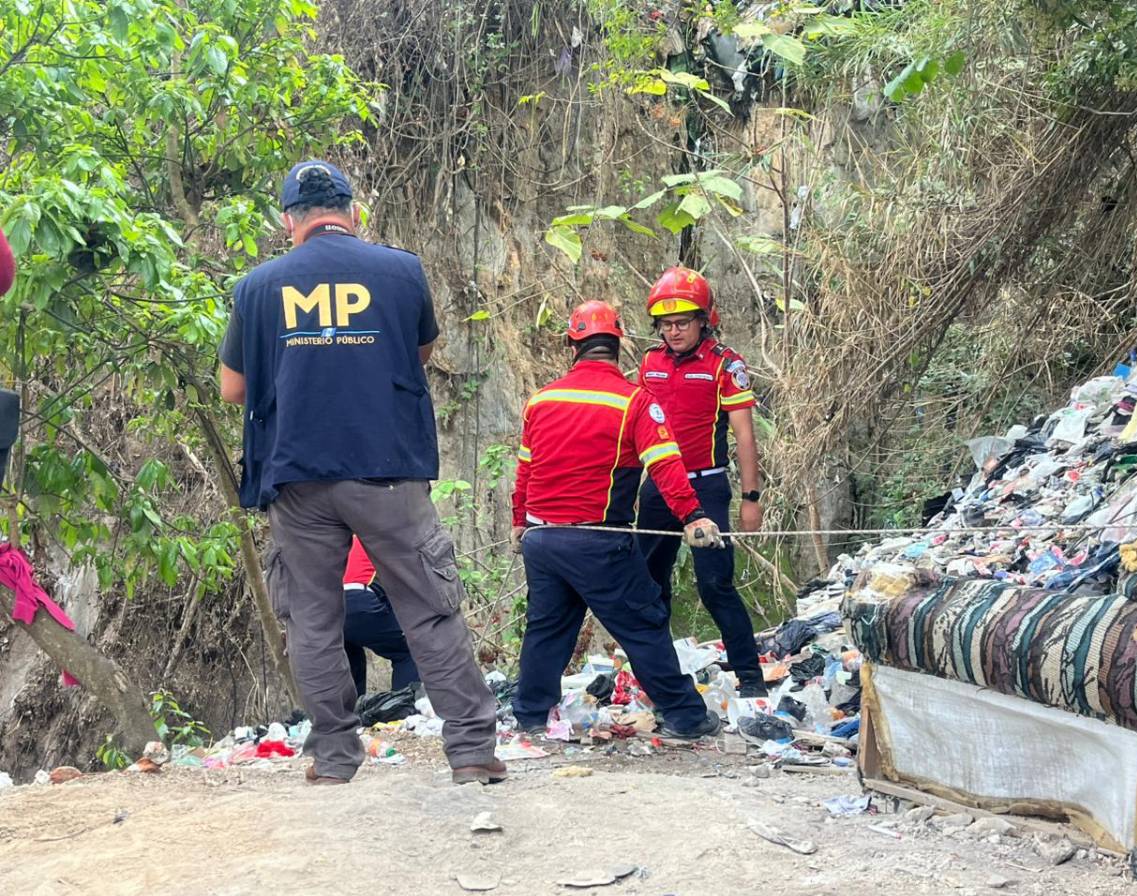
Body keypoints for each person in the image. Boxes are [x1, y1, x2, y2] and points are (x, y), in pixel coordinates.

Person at [218, 160, 501, 786]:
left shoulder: (257, 287)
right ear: (352, 211)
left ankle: (334, 759)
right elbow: (418, 351)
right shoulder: (401, 271)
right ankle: (472, 753)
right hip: (387, 471)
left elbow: (232, 388)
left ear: (288, 221)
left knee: (314, 622)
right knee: (428, 610)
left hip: (296, 477)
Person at [510, 300, 724, 739]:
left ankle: (530, 715)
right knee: (643, 624)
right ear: (618, 345)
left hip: (541, 539)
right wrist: (693, 516)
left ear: (572, 346)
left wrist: (519, 521)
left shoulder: (541, 400)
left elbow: (525, 468)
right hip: (599, 542)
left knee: (547, 629)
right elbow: (665, 465)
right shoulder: (634, 401)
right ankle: (686, 717)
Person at [635, 266, 767, 697]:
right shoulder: (650, 362)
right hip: (658, 487)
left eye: (682, 323)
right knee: (649, 585)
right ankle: (658, 678)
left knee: (715, 584)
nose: (673, 331)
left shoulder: (725, 364)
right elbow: (635, 428)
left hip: (706, 486)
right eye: (666, 324)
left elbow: (744, 435)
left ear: (704, 320)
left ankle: (751, 678)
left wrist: (751, 498)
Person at [342, 536, 420, 697]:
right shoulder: (381, 536)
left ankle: (352, 710)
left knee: (351, 654)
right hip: (359, 598)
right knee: (409, 651)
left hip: (326, 607)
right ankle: (402, 706)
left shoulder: (345, 541)